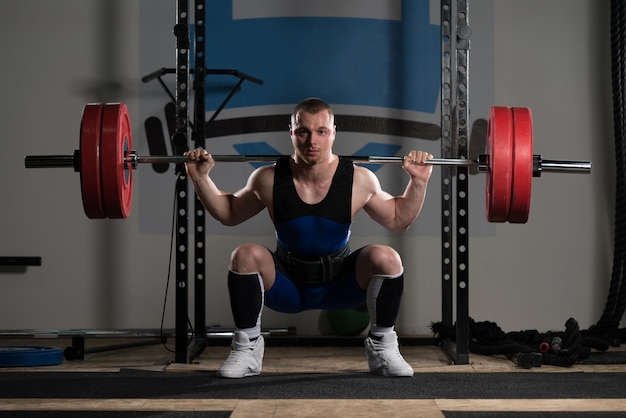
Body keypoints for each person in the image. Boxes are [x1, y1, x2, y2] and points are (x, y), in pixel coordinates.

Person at [184, 97, 433, 378]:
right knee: (244, 254)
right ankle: (247, 350)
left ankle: (383, 348)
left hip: (340, 285)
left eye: (321, 132)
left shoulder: (359, 180)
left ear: (333, 133)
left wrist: (419, 181)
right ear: (291, 132)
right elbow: (228, 213)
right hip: (287, 286)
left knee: (387, 258)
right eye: (303, 131)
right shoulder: (266, 178)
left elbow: (399, 219)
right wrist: (200, 178)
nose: (311, 140)